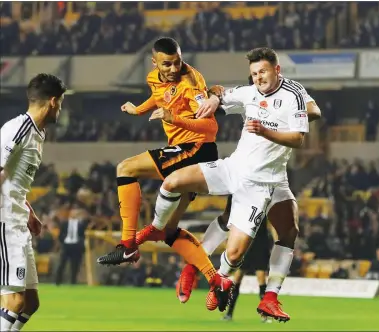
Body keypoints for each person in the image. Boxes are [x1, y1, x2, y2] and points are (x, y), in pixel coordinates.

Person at [143, 47, 311, 322]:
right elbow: (222, 93)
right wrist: (212, 97)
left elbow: (298, 139)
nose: (258, 77)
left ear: (277, 70)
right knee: (174, 181)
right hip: (233, 167)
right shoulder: (249, 92)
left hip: (263, 183)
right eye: (254, 73)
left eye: (263, 72)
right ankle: (159, 230)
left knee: (243, 249)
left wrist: (265, 130)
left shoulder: (294, 95)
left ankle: (231, 283)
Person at [96, 37, 223, 303]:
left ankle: (128, 245)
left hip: (196, 149)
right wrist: (138, 110)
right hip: (184, 151)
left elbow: (211, 128)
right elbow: (159, 97)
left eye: (177, 61)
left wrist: (173, 118)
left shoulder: (191, 83)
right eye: (167, 63)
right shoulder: (154, 78)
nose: (174, 68)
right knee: (169, 230)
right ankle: (215, 279)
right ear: (155, 62)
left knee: (126, 168)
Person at [0, 73, 67, 331]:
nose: (60, 109)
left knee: (30, 303)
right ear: (52, 102)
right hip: (5, 222)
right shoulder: (18, 129)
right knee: (13, 301)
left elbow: (14, 180)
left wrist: (30, 212)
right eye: (60, 103)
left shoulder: (38, 134)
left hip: (18, 221)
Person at [222, 217, 274, 323]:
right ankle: (229, 314)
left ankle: (265, 315)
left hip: (260, 247)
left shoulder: (265, 208)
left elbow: (272, 226)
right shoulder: (248, 209)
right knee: (237, 281)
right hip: (246, 246)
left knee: (261, 280)